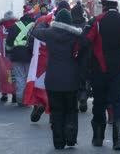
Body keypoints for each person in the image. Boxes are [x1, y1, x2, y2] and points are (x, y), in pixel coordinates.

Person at [84, 0, 120, 150]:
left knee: (99, 103)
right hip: (118, 71)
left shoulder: (97, 21)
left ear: (105, 3)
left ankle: (98, 138)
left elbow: (86, 42)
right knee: (119, 104)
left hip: (99, 70)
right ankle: (119, 140)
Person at [31, 9, 83, 149]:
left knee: (57, 111)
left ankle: (58, 142)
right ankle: (71, 138)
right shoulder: (76, 36)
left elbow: (35, 31)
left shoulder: (49, 33)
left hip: (53, 80)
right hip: (72, 79)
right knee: (71, 110)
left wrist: (46, 22)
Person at [24, 1, 71, 122]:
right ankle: (52, 113)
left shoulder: (42, 20)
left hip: (40, 59)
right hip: (58, 60)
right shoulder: (68, 23)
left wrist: (31, 53)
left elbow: (31, 37)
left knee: (39, 86)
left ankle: (38, 105)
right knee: (55, 88)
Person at [6, 5, 37, 106]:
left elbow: (9, 43)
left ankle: (20, 99)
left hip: (17, 56)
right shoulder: (36, 25)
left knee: (19, 77)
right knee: (29, 78)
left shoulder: (15, 26)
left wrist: (9, 54)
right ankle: (28, 98)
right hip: (31, 56)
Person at [0, 11, 18, 103]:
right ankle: (14, 95)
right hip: (14, 55)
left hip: (3, 57)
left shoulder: (0, 28)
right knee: (13, 75)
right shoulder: (17, 26)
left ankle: (4, 95)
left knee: (3, 76)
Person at [71, 1, 89, 113]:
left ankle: (75, 102)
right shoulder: (86, 25)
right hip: (85, 56)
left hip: (72, 57)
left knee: (73, 79)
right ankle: (83, 96)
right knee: (84, 78)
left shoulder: (69, 26)